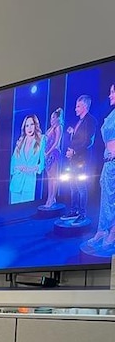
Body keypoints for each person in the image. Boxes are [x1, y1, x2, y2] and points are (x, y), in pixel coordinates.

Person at [61, 94, 98, 223]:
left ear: (85, 106)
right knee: (73, 186)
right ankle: (74, 210)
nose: (75, 109)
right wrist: (72, 133)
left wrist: (74, 151)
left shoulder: (91, 121)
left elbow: (88, 141)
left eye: (78, 106)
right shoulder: (79, 121)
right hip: (74, 159)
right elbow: (79, 138)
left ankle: (82, 213)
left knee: (81, 187)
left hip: (82, 160)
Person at [87, 84, 115, 247]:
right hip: (108, 162)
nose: (110, 95)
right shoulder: (111, 114)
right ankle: (103, 230)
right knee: (106, 197)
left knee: (113, 198)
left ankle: (112, 231)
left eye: (113, 92)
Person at [9, 114, 46, 204]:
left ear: (35, 125)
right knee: (14, 213)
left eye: (32, 124)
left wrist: (32, 169)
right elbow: (13, 163)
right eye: (27, 125)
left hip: (29, 182)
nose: (29, 128)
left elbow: (43, 163)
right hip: (16, 183)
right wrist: (17, 169)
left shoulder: (41, 139)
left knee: (26, 212)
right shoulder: (20, 141)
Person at [43, 108, 64, 207]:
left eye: (53, 117)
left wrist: (48, 152)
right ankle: (50, 197)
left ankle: (52, 198)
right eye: (51, 118)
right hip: (47, 154)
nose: (51, 120)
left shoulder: (58, 127)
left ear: (57, 118)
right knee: (49, 178)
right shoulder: (50, 128)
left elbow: (56, 143)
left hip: (54, 153)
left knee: (54, 178)